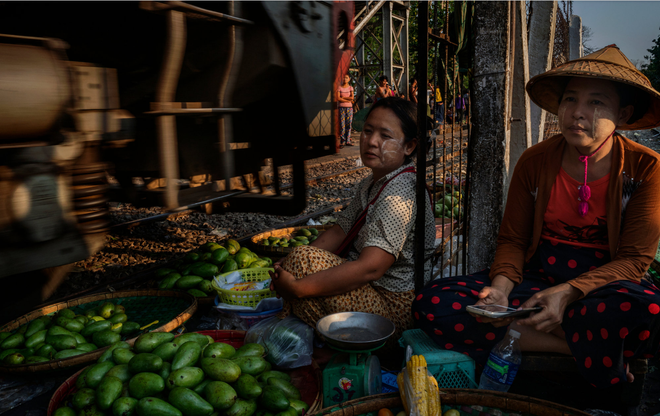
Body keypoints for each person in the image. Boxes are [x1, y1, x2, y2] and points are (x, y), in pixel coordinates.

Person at [412, 45, 660, 388]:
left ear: (623, 112)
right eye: (570, 99)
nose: (577, 113)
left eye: (596, 102)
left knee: (646, 309)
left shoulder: (646, 168)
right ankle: (589, 350)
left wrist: (568, 293)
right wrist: (499, 291)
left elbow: (634, 260)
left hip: (601, 288)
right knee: (433, 303)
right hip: (537, 282)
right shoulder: (535, 161)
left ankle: (526, 333)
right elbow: (513, 239)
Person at [270, 97, 436, 343]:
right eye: (367, 131)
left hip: (393, 307)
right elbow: (339, 231)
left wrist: (298, 286)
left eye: (385, 136)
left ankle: (361, 348)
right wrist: (291, 265)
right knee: (300, 258)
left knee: (302, 267)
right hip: (373, 293)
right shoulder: (372, 182)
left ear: (409, 147)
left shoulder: (400, 193)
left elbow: (372, 267)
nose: (371, 141)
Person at [337, 74, 355, 147]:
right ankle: (342, 141)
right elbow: (338, 98)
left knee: (349, 124)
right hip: (341, 108)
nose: (345, 79)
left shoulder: (350, 88)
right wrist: (348, 99)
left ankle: (348, 140)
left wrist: (343, 99)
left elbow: (352, 98)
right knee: (342, 124)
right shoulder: (339, 88)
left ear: (349, 79)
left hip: (349, 108)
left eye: (346, 77)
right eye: (344, 77)